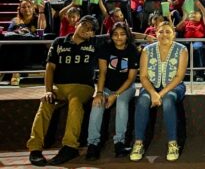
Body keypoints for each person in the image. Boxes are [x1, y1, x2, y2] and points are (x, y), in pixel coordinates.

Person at [27, 16, 101, 166]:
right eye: (84, 25)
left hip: (82, 87)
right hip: (59, 87)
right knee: (45, 103)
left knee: (75, 102)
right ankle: (35, 148)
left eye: (91, 28)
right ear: (76, 24)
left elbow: (122, 32)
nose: (87, 29)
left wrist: (146, 36)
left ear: (93, 33)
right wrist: (48, 90)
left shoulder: (95, 43)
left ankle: (70, 146)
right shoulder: (59, 42)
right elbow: (50, 68)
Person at [130, 21, 188, 162]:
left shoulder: (182, 50)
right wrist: (152, 92)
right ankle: (138, 143)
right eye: (161, 31)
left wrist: (159, 95)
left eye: (168, 31)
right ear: (156, 33)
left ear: (173, 34)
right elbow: (143, 76)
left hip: (174, 86)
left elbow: (179, 77)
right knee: (143, 100)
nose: (164, 35)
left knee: (168, 100)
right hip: (151, 86)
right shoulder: (147, 50)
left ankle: (173, 143)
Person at [85, 22, 139, 160]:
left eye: (122, 34)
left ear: (127, 35)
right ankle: (93, 144)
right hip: (108, 87)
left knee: (121, 102)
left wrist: (115, 95)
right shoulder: (106, 48)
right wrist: (99, 93)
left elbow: (131, 78)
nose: (119, 37)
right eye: (115, 34)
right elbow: (102, 73)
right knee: (97, 104)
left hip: (126, 87)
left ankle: (119, 142)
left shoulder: (132, 50)